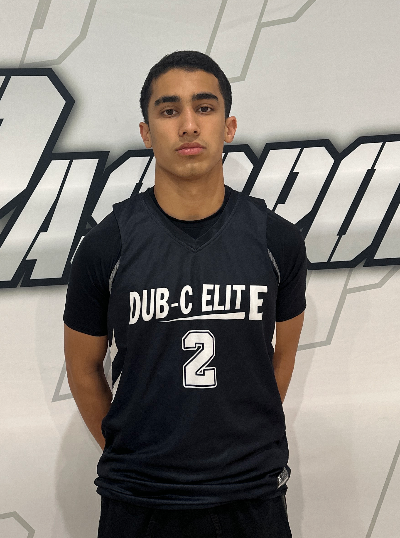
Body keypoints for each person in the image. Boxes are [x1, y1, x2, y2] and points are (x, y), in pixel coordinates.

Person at [64, 50, 307, 538]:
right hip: (139, 501)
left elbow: (280, 358)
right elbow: (83, 369)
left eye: (205, 107)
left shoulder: (277, 240)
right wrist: (132, 453)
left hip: (251, 497)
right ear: (146, 132)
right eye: (169, 110)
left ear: (229, 126)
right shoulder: (106, 245)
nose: (189, 125)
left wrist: (243, 447)